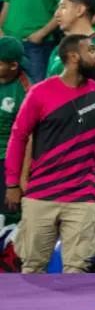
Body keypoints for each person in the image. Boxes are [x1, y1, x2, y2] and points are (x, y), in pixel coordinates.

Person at [4, 34, 95, 273]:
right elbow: (19, 137)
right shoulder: (39, 92)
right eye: (92, 50)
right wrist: (13, 183)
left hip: (83, 197)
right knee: (33, 267)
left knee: (78, 269)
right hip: (40, 195)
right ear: (74, 56)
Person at [0, 38, 31, 226]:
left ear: (13, 66)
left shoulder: (26, 91)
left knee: (9, 217)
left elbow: (28, 140)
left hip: (7, 160)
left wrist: (18, 181)